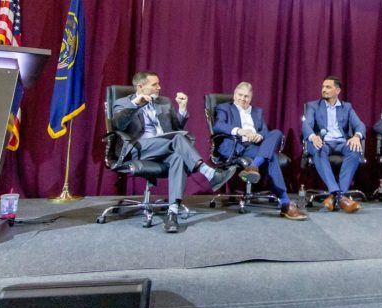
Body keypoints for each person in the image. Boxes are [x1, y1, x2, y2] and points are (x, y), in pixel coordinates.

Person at [111, 71, 237, 232]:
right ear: (140, 86)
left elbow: (176, 129)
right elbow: (118, 125)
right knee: (178, 140)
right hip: (136, 149)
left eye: (158, 84)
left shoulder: (163, 102)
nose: (159, 87)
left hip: (163, 148)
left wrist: (182, 110)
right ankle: (209, 173)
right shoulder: (123, 102)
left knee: (178, 156)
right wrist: (136, 103)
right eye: (154, 84)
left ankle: (172, 213)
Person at [213, 82, 307, 221]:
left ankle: (254, 166)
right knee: (272, 157)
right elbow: (218, 126)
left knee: (276, 133)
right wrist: (239, 131)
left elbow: (264, 130)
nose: (243, 99)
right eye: (240, 95)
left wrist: (260, 135)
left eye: (246, 96)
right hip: (235, 145)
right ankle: (285, 202)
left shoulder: (257, 111)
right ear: (234, 95)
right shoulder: (224, 108)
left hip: (254, 146)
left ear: (251, 98)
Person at [303, 76, 366, 213]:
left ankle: (334, 197)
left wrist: (356, 136)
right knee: (318, 149)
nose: (324, 90)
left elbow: (360, 124)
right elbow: (306, 124)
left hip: (342, 142)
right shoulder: (313, 106)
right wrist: (313, 137)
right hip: (323, 141)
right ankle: (339, 196)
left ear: (337, 90)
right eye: (323, 87)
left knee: (355, 149)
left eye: (328, 87)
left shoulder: (347, 107)